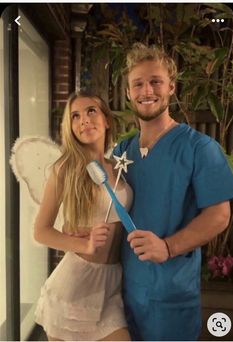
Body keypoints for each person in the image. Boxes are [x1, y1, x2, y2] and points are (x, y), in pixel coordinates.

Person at [113, 43, 233, 341]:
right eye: (138, 84)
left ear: (171, 87)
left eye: (155, 81)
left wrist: (167, 247)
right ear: (128, 92)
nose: (147, 91)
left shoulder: (200, 148)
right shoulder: (121, 152)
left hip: (170, 296)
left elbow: (220, 215)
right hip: (121, 294)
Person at [34, 92, 133, 341]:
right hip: (75, 287)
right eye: (75, 116)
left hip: (111, 283)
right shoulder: (65, 169)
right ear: (70, 127)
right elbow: (41, 230)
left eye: (91, 111)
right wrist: (84, 244)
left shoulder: (117, 167)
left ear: (107, 120)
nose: (84, 120)